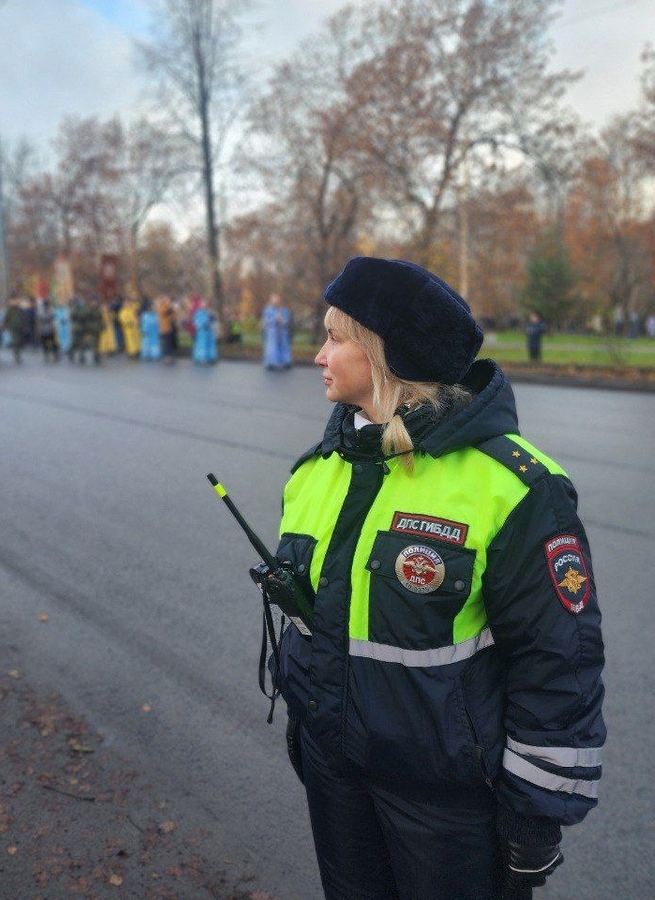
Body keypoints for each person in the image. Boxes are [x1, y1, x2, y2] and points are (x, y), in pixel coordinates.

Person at [267, 257, 605, 899]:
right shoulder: (317, 471)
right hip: (337, 779)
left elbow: (559, 662)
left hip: (448, 805)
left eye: (335, 338)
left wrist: (534, 820)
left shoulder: (515, 488)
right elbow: (317, 621)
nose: (318, 355)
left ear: (385, 354)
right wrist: (308, 717)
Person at [262, 294, 293, 370]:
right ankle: (271, 363)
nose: (276, 302)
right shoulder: (268, 310)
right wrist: (275, 320)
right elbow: (266, 321)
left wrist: (282, 321)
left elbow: (287, 320)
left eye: (277, 300)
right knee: (272, 347)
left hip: (282, 332)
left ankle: (286, 362)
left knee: (284, 346)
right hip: (272, 332)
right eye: (274, 300)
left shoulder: (284, 310)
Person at [192, 300, 218, 364]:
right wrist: (203, 324)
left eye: (206, 304)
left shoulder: (210, 311)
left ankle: (210, 357)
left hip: (209, 331)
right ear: (201, 304)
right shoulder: (199, 312)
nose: (205, 305)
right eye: (203, 304)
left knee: (210, 344)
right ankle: (200, 357)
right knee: (202, 344)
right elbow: (196, 321)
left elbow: (214, 319)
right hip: (202, 331)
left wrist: (212, 320)